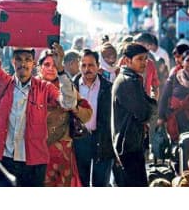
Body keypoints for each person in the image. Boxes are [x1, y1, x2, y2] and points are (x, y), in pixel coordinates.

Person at [0, 0, 77, 186]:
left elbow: (69, 103)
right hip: (5, 159)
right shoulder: (4, 83)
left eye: (27, 60)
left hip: (35, 162)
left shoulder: (44, 88)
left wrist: (61, 69)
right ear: (13, 62)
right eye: (19, 59)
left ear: (33, 64)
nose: (23, 64)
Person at [36, 50, 92, 186]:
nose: (51, 68)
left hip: (62, 149)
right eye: (47, 64)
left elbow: (87, 114)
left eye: (55, 65)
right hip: (36, 149)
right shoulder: (31, 87)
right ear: (39, 67)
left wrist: (74, 108)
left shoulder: (66, 87)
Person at [111, 43, 156, 187]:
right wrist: (153, 103)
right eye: (139, 59)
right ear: (127, 60)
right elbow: (144, 113)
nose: (144, 63)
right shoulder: (128, 82)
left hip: (132, 143)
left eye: (146, 59)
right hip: (128, 145)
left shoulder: (132, 79)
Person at [72, 49, 114, 186]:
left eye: (91, 65)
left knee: (101, 184)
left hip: (102, 141)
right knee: (80, 183)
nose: (87, 69)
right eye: (83, 65)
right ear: (79, 66)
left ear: (98, 66)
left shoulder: (108, 88)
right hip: (79, 141)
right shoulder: (72, 87)